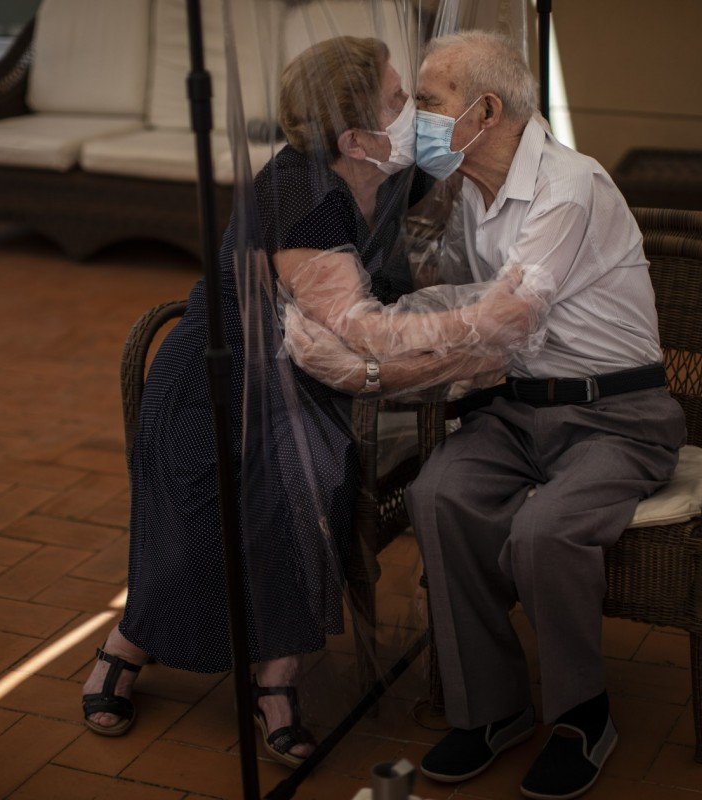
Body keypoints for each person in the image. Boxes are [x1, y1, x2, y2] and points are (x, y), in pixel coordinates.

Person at [80, 35, 537, 768]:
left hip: (302, 377)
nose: (412, 113)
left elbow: (467, 149)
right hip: (217, 380)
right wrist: (482, 325)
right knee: (233, 507)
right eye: (399, 101)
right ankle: (127, 640)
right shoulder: (302, 199)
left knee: (314, 488)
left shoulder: (382, 172)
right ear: (352, 136)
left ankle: (277, 681)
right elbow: (364, 330)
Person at [401, 31, 686, 799]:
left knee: (544, 530)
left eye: (428, 102)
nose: (415, 117)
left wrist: (380, 356)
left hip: (617, 415)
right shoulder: (467, 189)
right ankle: (492, 710)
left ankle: (584, 715)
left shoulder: (571, 184)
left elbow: (502, 316)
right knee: (436, 496)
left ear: (484, 111)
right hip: (519, 413)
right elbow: (455, 298)